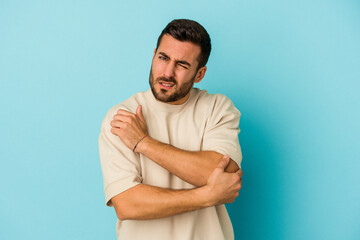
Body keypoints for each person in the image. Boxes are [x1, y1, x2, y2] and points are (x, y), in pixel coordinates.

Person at [98, 19, 243, 240]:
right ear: (154, 54)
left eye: (182, 65)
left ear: (199, 74)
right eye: (163, 58)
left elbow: (224, 172)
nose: (167, 72)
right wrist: (206, 195)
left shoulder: (217, 108)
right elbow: (128, 204)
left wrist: (144, 143)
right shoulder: (122, 117)